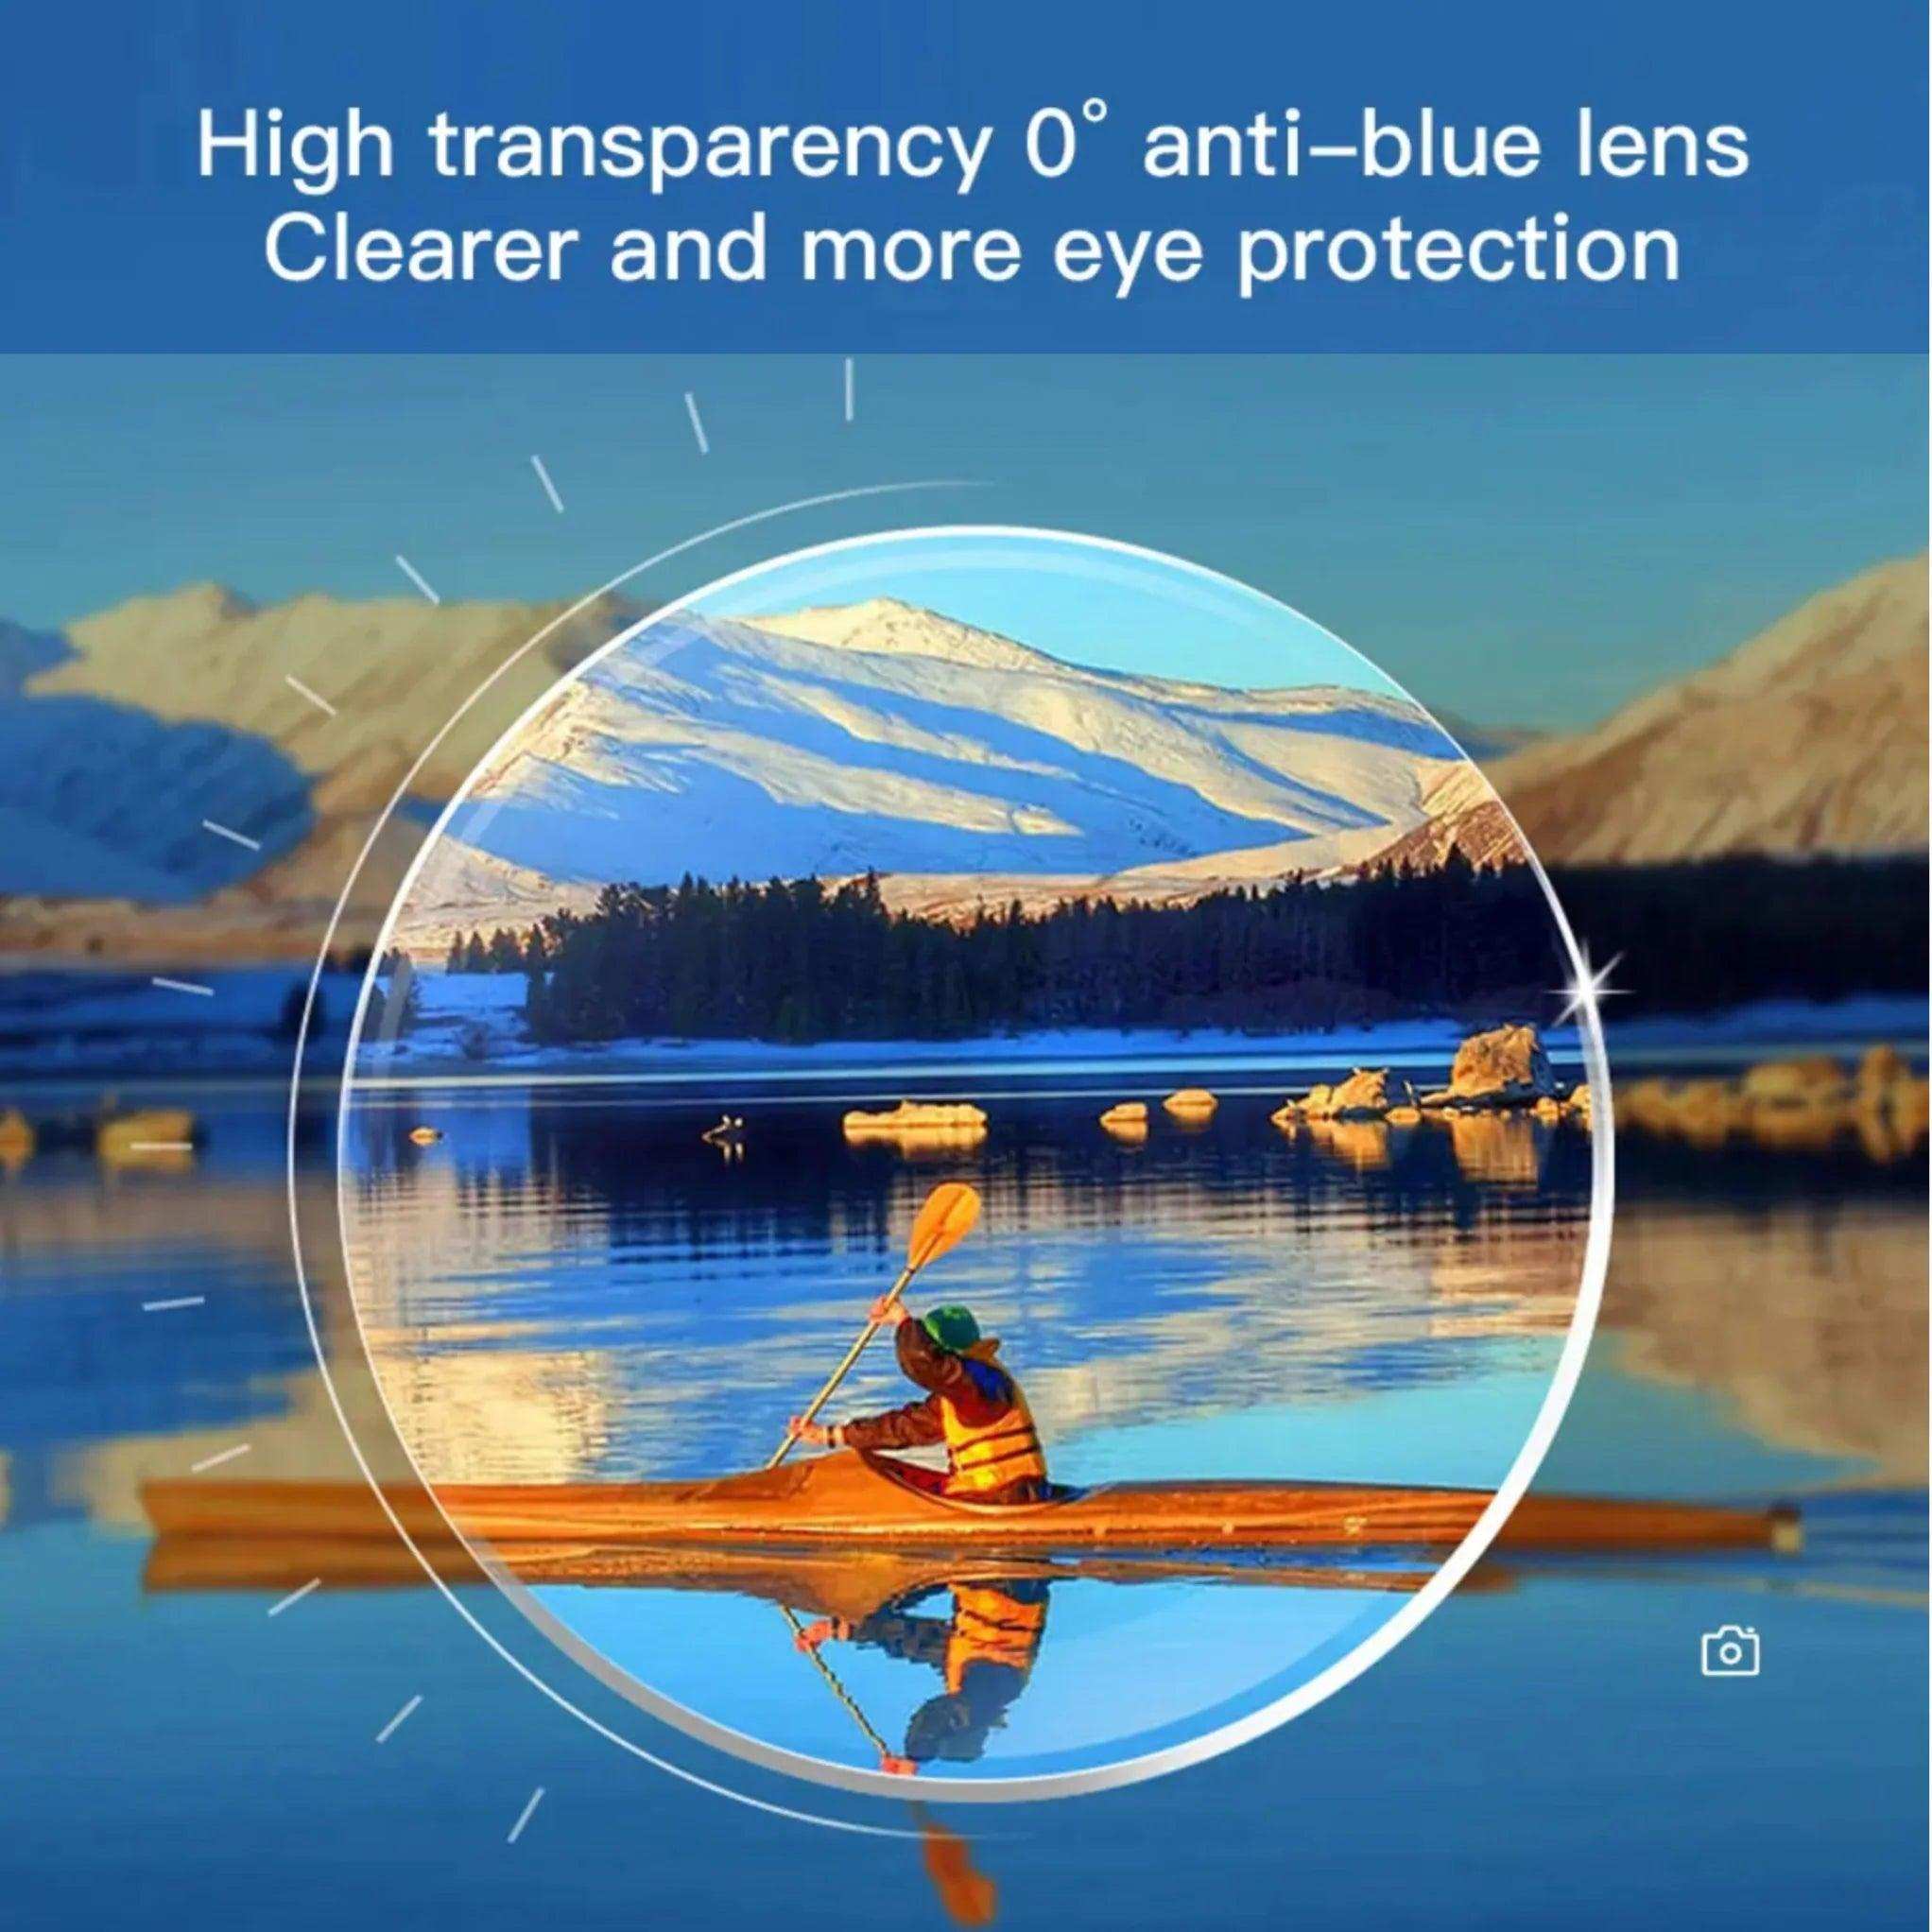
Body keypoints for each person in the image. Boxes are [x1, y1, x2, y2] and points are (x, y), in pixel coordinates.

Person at [788, 1300, 1048, 1502]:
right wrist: (830, 1435)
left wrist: (903, 1322)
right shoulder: (966, 1390)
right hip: (1011, 1491)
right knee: (877, 1468)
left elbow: (923, 1363)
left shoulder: (975, 1386)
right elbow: (904, 1428)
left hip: (1000, 1497)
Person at [794, 1577, 1050, 1773]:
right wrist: (917, 1755)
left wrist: (837, 1630)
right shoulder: (996, 1691)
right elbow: (942, 1716)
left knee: (887, 1602)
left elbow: (912, 1640)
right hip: (1010, 1581)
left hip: (976, 1578)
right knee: (895, 1595)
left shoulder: (962, 1673)